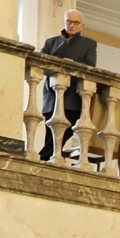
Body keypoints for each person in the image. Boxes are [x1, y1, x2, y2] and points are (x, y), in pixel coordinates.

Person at [39, 9, 98, 162]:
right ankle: (47, 158)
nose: (71, 25)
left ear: (81, 26)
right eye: (69, 22)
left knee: (67, 128)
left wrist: (74, 64)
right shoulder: (51, 42)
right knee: (50, 131)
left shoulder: (88, 44)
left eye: (75, 22)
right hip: (52, 95)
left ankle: (43, 157)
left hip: (73, 96)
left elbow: (91, 66)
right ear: (64, 23)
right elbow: (40, 63)